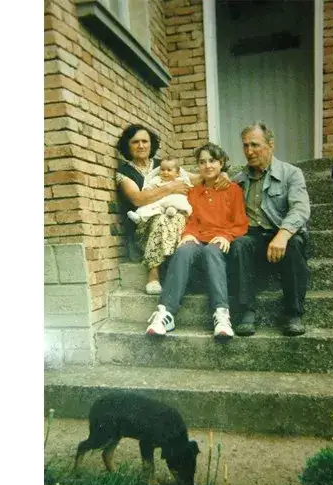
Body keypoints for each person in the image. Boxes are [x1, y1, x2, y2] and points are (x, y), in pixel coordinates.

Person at [145, 143, 248, 341]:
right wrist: (188, 234)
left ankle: (221, 314)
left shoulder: (233, 190)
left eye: (212, 161)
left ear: (221, 163)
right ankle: (166, 312)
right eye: (202, 162)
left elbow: (241, 222)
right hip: (198, 238)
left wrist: (227, 235)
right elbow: (190, 219)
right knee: (183, 251)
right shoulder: (193, 192)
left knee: (212, 251)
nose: (207, 165)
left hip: (220, 240)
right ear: (198, 166)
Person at [115, 124, 230, 295]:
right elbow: (137, 199)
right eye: (135, 142)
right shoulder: (124, 172)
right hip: (144, 225)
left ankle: (179, 274)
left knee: (178, 218)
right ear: (127, 145)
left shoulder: (163, 164)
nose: (141, 146)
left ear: (151, 144)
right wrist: (170, 188)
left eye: (145, 141)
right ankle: (153, 274)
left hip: (171, 218)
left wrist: (222, 174)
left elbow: (196, 179)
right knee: (162, 219)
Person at [229, 122, 311, 337]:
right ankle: (246, 311)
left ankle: (293, 313)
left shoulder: (291, 173)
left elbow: (300, 208)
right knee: (239, 245)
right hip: (253, 236)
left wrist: (283, 235)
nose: (249, 151)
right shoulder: (238, 180)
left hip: (281, 233)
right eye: (245, 146)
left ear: (270, 145)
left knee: (294, 244)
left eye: (255, 145)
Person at [126, 157, 193, 224]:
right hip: (160, 201)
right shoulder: (157, 179)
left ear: (177, 173)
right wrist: (147, 188)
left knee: (179, 199)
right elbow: (150, 185)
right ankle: (139, 217)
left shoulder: (179, 180)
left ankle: (174, 210)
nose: (165, 172)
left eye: (169, 170)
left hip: (172, 200)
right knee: (149, 207)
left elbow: (188, 186)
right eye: (162, 170)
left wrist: (188, 187)